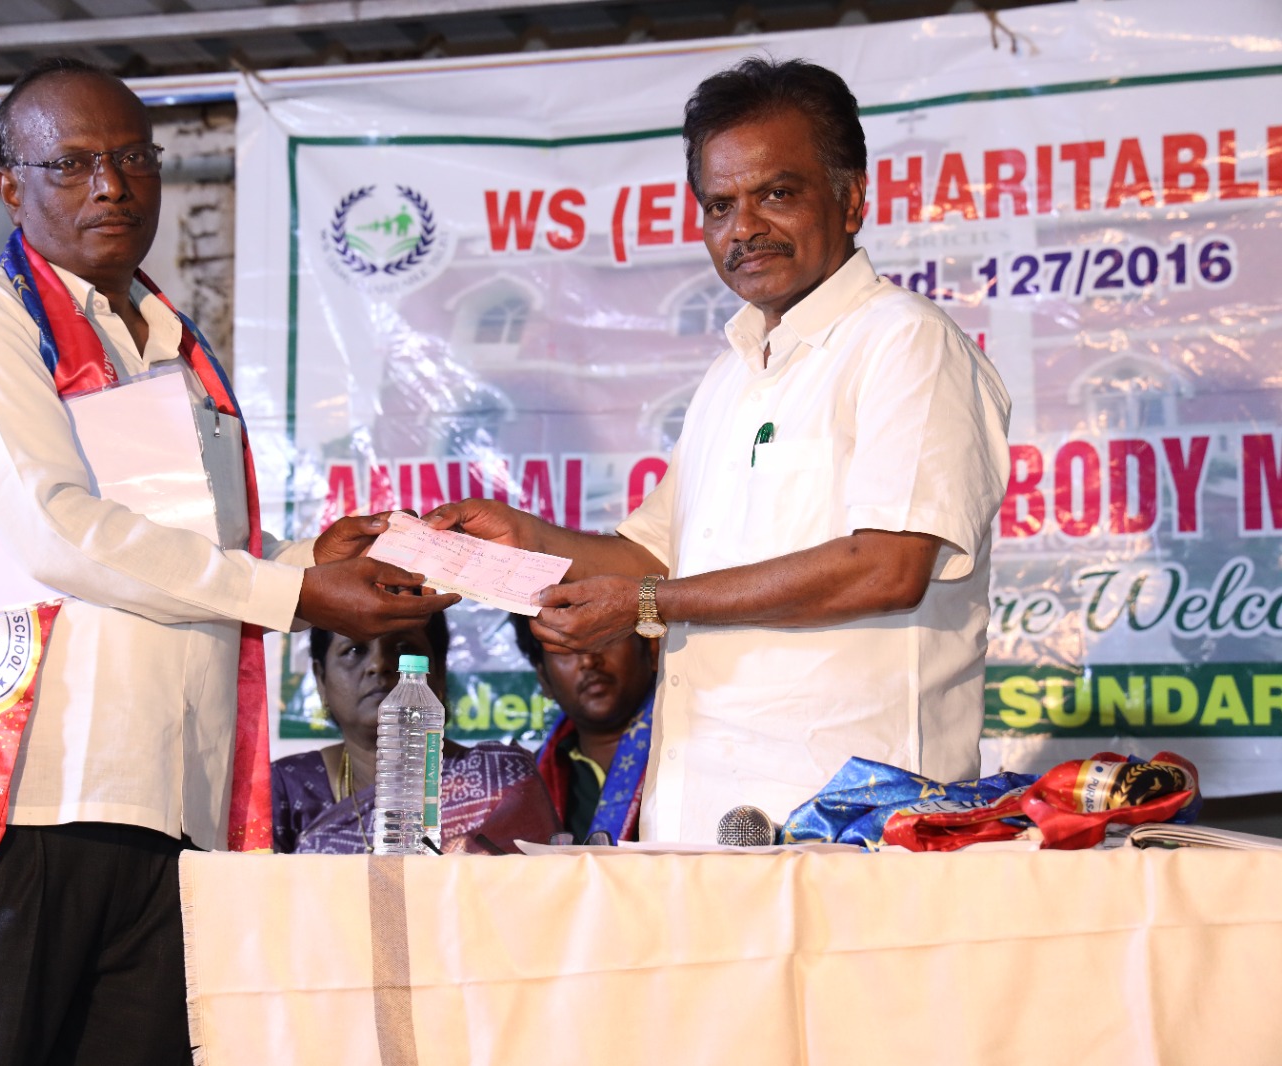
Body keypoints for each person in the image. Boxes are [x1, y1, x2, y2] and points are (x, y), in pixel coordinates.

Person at [0, 58, 454, 1066]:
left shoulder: (175, 345)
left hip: (168, 807)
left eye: (132, 158)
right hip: (19, 805)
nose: (111, 187)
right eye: (73, 163)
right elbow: (56, 530)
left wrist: (313, 557)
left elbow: (191, 552)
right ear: (10, 186)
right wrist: (295, 590)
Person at [427, 57, 1011, 842]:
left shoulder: (905, 343)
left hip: (855, 821)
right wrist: (524, 539)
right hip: (703, 816)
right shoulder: (731, 376)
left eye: (777, 194)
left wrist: (647, 604)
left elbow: (888, 566)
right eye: (720, 205)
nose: (745, 228)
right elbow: (651, 556)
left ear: (851, 198)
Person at [271, 613, 559, 854]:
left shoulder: (501, 780)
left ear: (439, 670)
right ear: (321, 678)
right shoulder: (288, 787)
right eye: (355, 650)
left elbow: (539, 895)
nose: (379, 664)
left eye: (404, 648)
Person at [511, 616, 655, 843]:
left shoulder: (696, 753)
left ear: (651, 648)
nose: (588, 660)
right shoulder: (528, 787)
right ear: (544, 679)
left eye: (605, 636)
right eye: (564, 648)